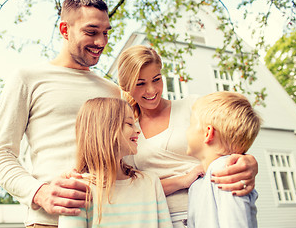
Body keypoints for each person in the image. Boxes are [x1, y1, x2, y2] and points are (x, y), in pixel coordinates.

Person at [0, 0, 120, 227]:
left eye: (106, 32)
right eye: (91, 32)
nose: (101, 42)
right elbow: (0, 156)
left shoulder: (113, 91)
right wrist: (40, 193)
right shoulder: (28, 79)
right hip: (50, 222)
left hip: (110, 219)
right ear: (65, 30)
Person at [117, 45, 259, 227]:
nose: (152, 90)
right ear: (126, 86)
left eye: (156, 79)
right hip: (162, 219)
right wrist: (182, 181)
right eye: (140, 83)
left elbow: (232, 136)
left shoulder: (192, 106)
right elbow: (134, 188)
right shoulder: (129, 131)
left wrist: (248, 160)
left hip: (211, 208)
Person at [58, 97, 173, 227]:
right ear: (105, 129)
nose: (138, 130)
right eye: (130, 124)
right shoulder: (78, 190)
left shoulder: (151, 182)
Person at [186, 91, 261, 228]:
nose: (187, 130)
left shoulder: (226, 172)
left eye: (191, 124)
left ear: (208, 133)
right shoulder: (198, 184)